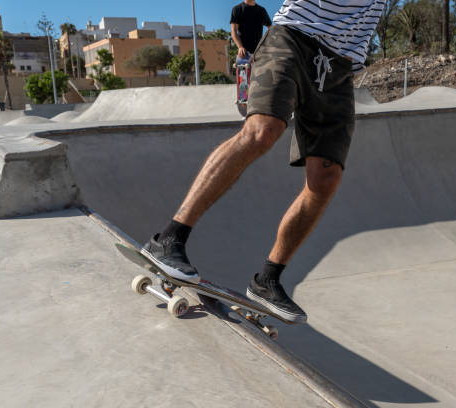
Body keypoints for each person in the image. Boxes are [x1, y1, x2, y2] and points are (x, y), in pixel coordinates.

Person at [142, 0, 387, 323]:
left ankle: (267, 280)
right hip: (293, 39)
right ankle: (169, 239)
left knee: (326, 179)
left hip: (338, 70)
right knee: (262, 131)